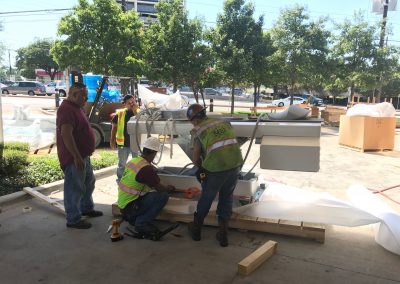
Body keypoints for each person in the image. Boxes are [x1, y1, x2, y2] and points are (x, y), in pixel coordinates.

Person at [186, 103, 243, 247]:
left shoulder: (198, 129)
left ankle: (196, 230)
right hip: (235, 163)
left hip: (216, 167)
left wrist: (201, 169)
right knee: (226, 196)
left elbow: (195, 158)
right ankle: (223, 235)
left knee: (207, 196)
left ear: (194, 119)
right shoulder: (223, 121)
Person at [56, 82, 103, 229]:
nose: (85, 99)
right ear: (73, 94)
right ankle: (73, 219)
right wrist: (76, 156)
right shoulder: (66, 110)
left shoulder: (77, 108)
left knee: (89, 183)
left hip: (83, 156)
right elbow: (66, 134)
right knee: (74, 188)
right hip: (73, 158)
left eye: (86, 96)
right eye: (83, 96)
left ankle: (86, 208)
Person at [117, 137, 176, 236]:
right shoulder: (146, 169)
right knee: (163, 196)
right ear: (154, 153)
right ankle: (142, 223)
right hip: (131, 207)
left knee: (151, 194)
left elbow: (139, 178)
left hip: (124, 204)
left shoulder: (135, 161)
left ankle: (134, 219)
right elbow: (160, 189)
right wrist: (168, 188)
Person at [110, 94, 140, 181]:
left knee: (137, 164)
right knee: (122, 164)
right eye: (129, 103)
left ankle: (136, 179)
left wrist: (135, 111)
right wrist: (112, 141)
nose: (132, 104)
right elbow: (114, 128)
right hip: (123, 144)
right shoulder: (120, 114)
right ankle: (120, 179)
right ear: (124, 104)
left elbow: (140, 122)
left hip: (135, 143)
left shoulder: (139, 112)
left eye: (133, 102)